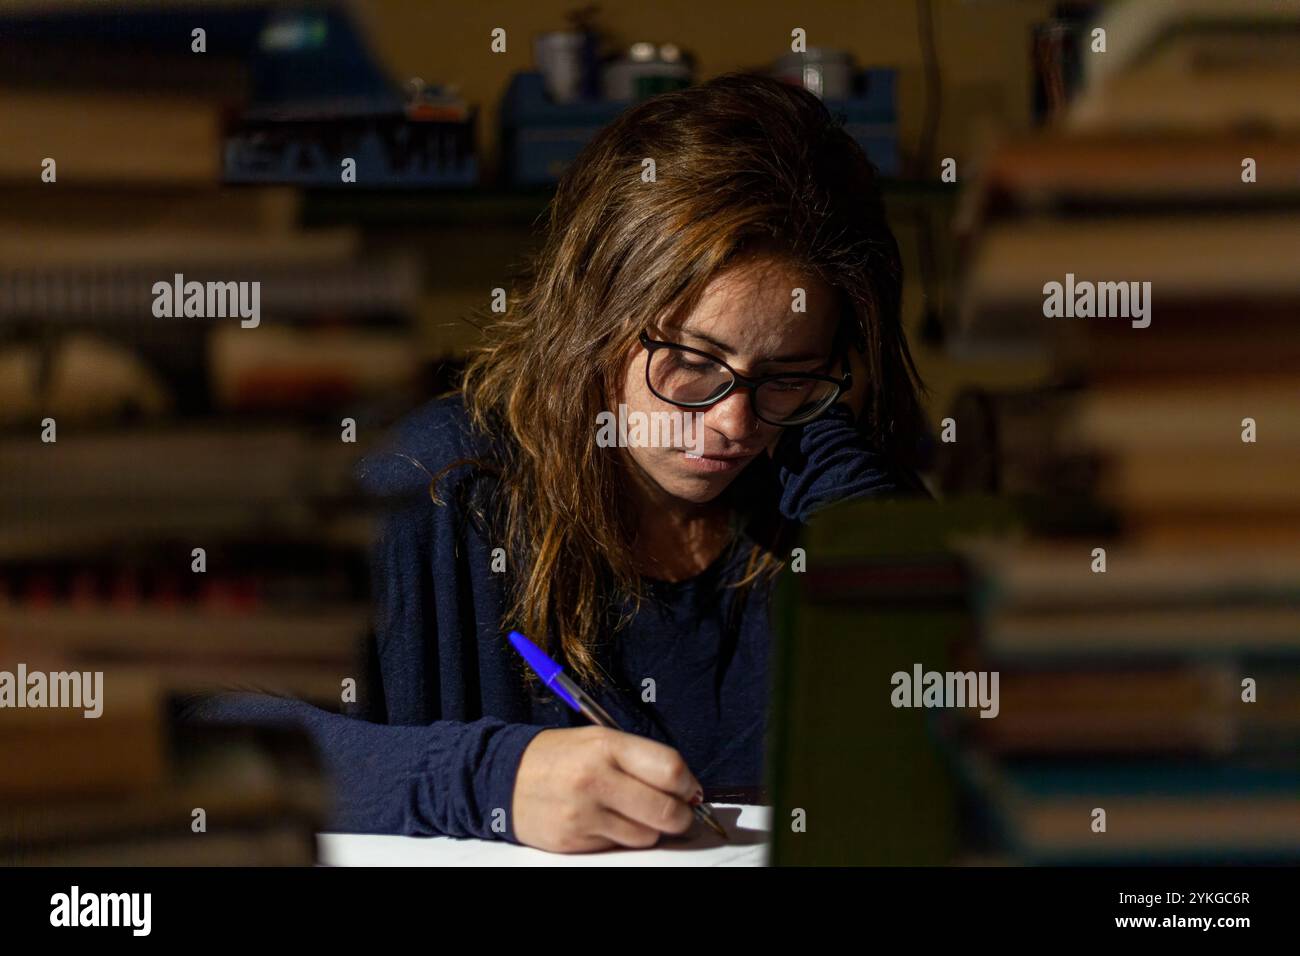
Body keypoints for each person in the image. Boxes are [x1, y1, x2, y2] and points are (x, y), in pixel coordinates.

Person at [182, 73, 928, 853]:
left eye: (789, 372)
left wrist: (834, 444)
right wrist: (488, 780)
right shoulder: (438, 488)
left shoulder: (824, 495)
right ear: (596, 320)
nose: (732, 424)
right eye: (692, 360)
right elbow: (205, 723)